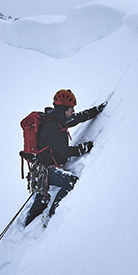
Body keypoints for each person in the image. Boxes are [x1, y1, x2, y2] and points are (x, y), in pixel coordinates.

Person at [24, 89, 104, 227]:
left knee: (39, 202)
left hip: (43, 168)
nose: (73, 111)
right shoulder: (51, 127)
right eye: (70, 109)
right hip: (46, 170)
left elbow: (77, 118)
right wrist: (83, 148)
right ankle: (51, 215)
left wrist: (95, 111)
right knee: (71, 181)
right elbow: (63, 152)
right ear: (62, 110)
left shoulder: (58, 120)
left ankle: (26, 225)